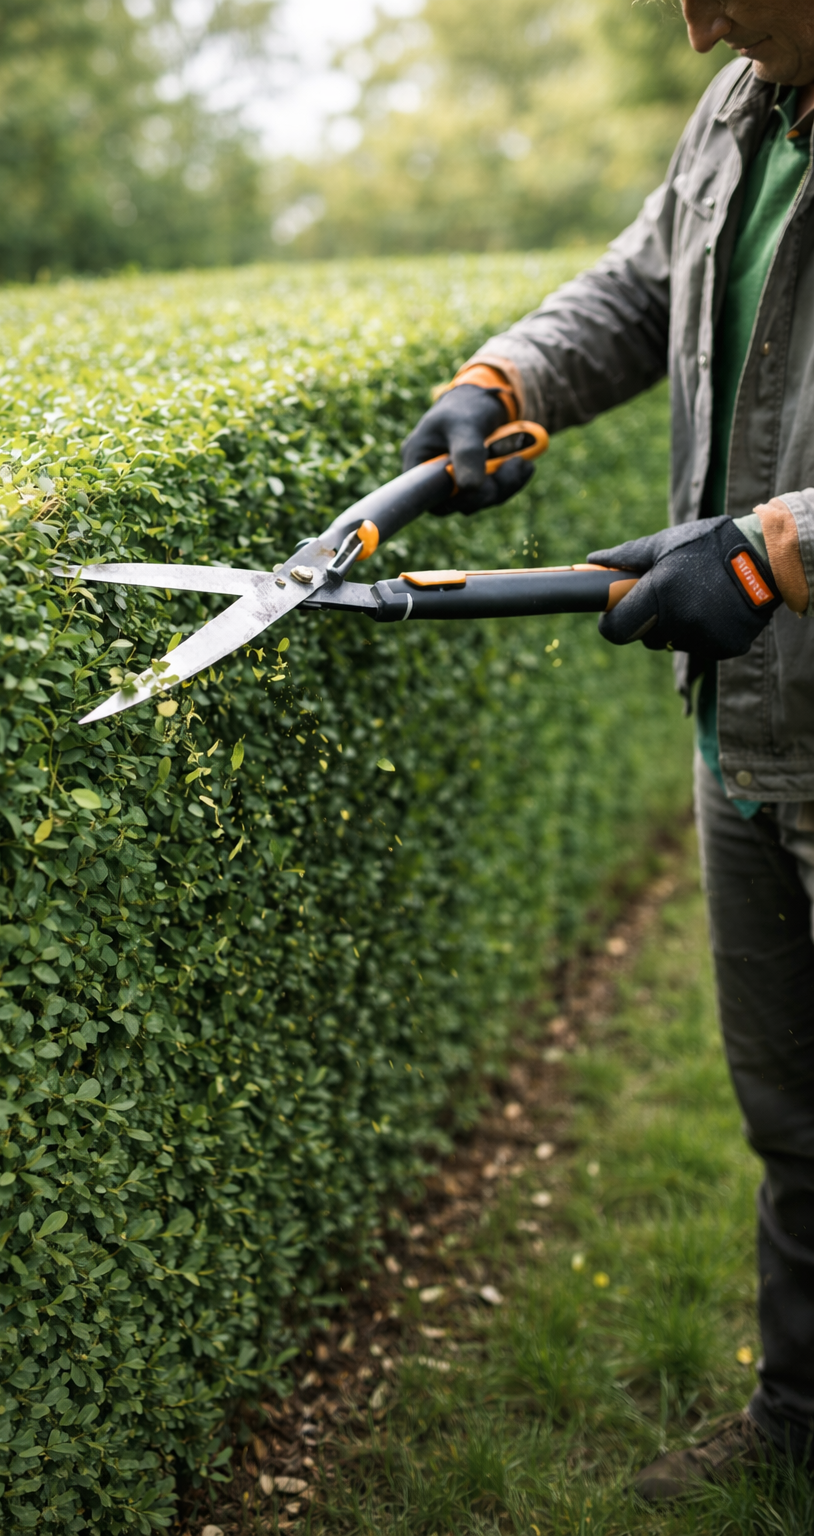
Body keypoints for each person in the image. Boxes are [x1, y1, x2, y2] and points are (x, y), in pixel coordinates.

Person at [403, 0, 814, 1504]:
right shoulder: (746, 110)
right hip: (757, 723)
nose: (696, 21)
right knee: (791, 1113)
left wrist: (778, 546)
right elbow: (645, 284)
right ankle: (801, 1427)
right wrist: (505, 379)